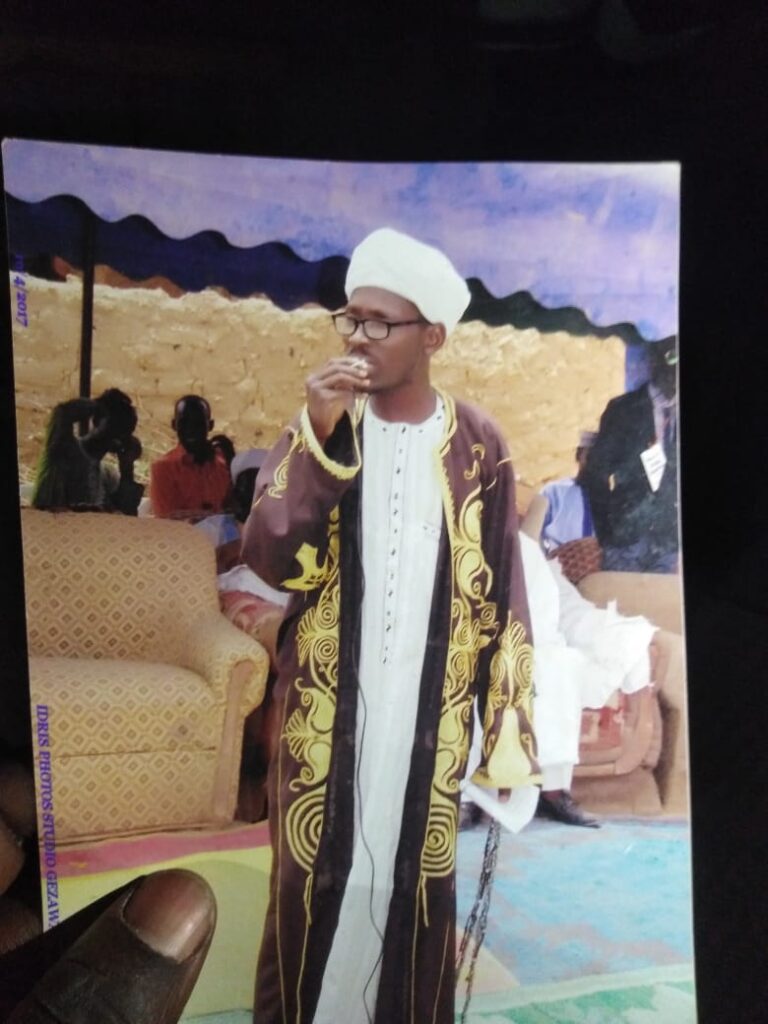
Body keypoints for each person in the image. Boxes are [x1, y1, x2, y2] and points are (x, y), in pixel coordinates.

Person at [242, 227, 538, 1024]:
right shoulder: (322, 428)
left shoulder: (479, 444)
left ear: (431, 336)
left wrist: (508, 728)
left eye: (380, 322)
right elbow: (274, 560)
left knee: (415, 889)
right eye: (351, 318)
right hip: (325, 713)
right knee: (308, 885)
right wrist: (320, 433)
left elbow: (504, 596)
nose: (358, 337)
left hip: (429, 720)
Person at [462, 531, 658, 830]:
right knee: (469, 673)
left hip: (533, 645)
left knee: (559, 666)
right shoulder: (456, 537)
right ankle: (465, 798)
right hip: (468, 647)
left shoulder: (525, 549)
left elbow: (552, 614)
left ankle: (554, 793)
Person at [581, 337, 679, 573]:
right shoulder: (623, 410)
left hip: (668, 543)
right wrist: (607, 533)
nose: (674, 368)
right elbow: (595, 474)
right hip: (625, 540)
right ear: (653, 361)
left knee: (659, 609)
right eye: (670, 358)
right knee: (620, 608)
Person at [31, 388, 144, 515]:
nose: (118, 436)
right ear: (96, 421)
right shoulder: (64, 449)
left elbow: (127, 518)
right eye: (115, 426)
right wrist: (98, 405)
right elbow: (62, 413)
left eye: (125, 431)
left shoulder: (106, 475)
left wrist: (127, 467)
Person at [149, 395, 233, 520]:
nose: (191, 429)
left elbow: (236, 512)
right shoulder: (163, 468)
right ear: (174, 425)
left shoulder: (223, 463)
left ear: (210, 425)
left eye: (198, 423)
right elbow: (167, 521)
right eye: (184, 423)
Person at [520, 429, 597, 555]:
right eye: (591, 456)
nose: (596, 464)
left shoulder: (616, 503)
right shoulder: (554, 492)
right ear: (579, 456)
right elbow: (532, 539)